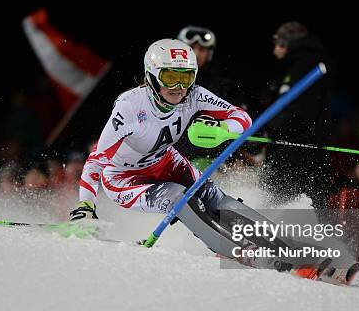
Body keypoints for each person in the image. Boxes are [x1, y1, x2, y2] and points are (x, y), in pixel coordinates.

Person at [68, 39, 266, 257]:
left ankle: (282, 244)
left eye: (186, 77)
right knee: (179, 197)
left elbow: (242, 117)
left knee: (211, 196)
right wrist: (86, 205)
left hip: (165, 161)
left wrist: (222, 129)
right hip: (123, 178)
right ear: (152, 77)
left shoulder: (194, 95)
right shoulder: (130, 107)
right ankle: (235, 251)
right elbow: (96, 161)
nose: (179, 87)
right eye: (170, 77)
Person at [262, 21, 335, 208]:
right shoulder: (298, 65)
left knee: (286, 203)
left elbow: (301, 111)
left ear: (289, 43)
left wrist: (270, 128)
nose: (275, 51)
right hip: (294, 149)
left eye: (278, 44)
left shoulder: (306, 64)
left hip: (298, 152)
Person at [175, 25, 250, 170]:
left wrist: (235, 156)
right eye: (191, 48)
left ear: (209, 54)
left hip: (211, 161)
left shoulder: (223, 86)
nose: (196, 53)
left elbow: (236, 122)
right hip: (173, 158)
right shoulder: (162, 82)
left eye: (202, 50)